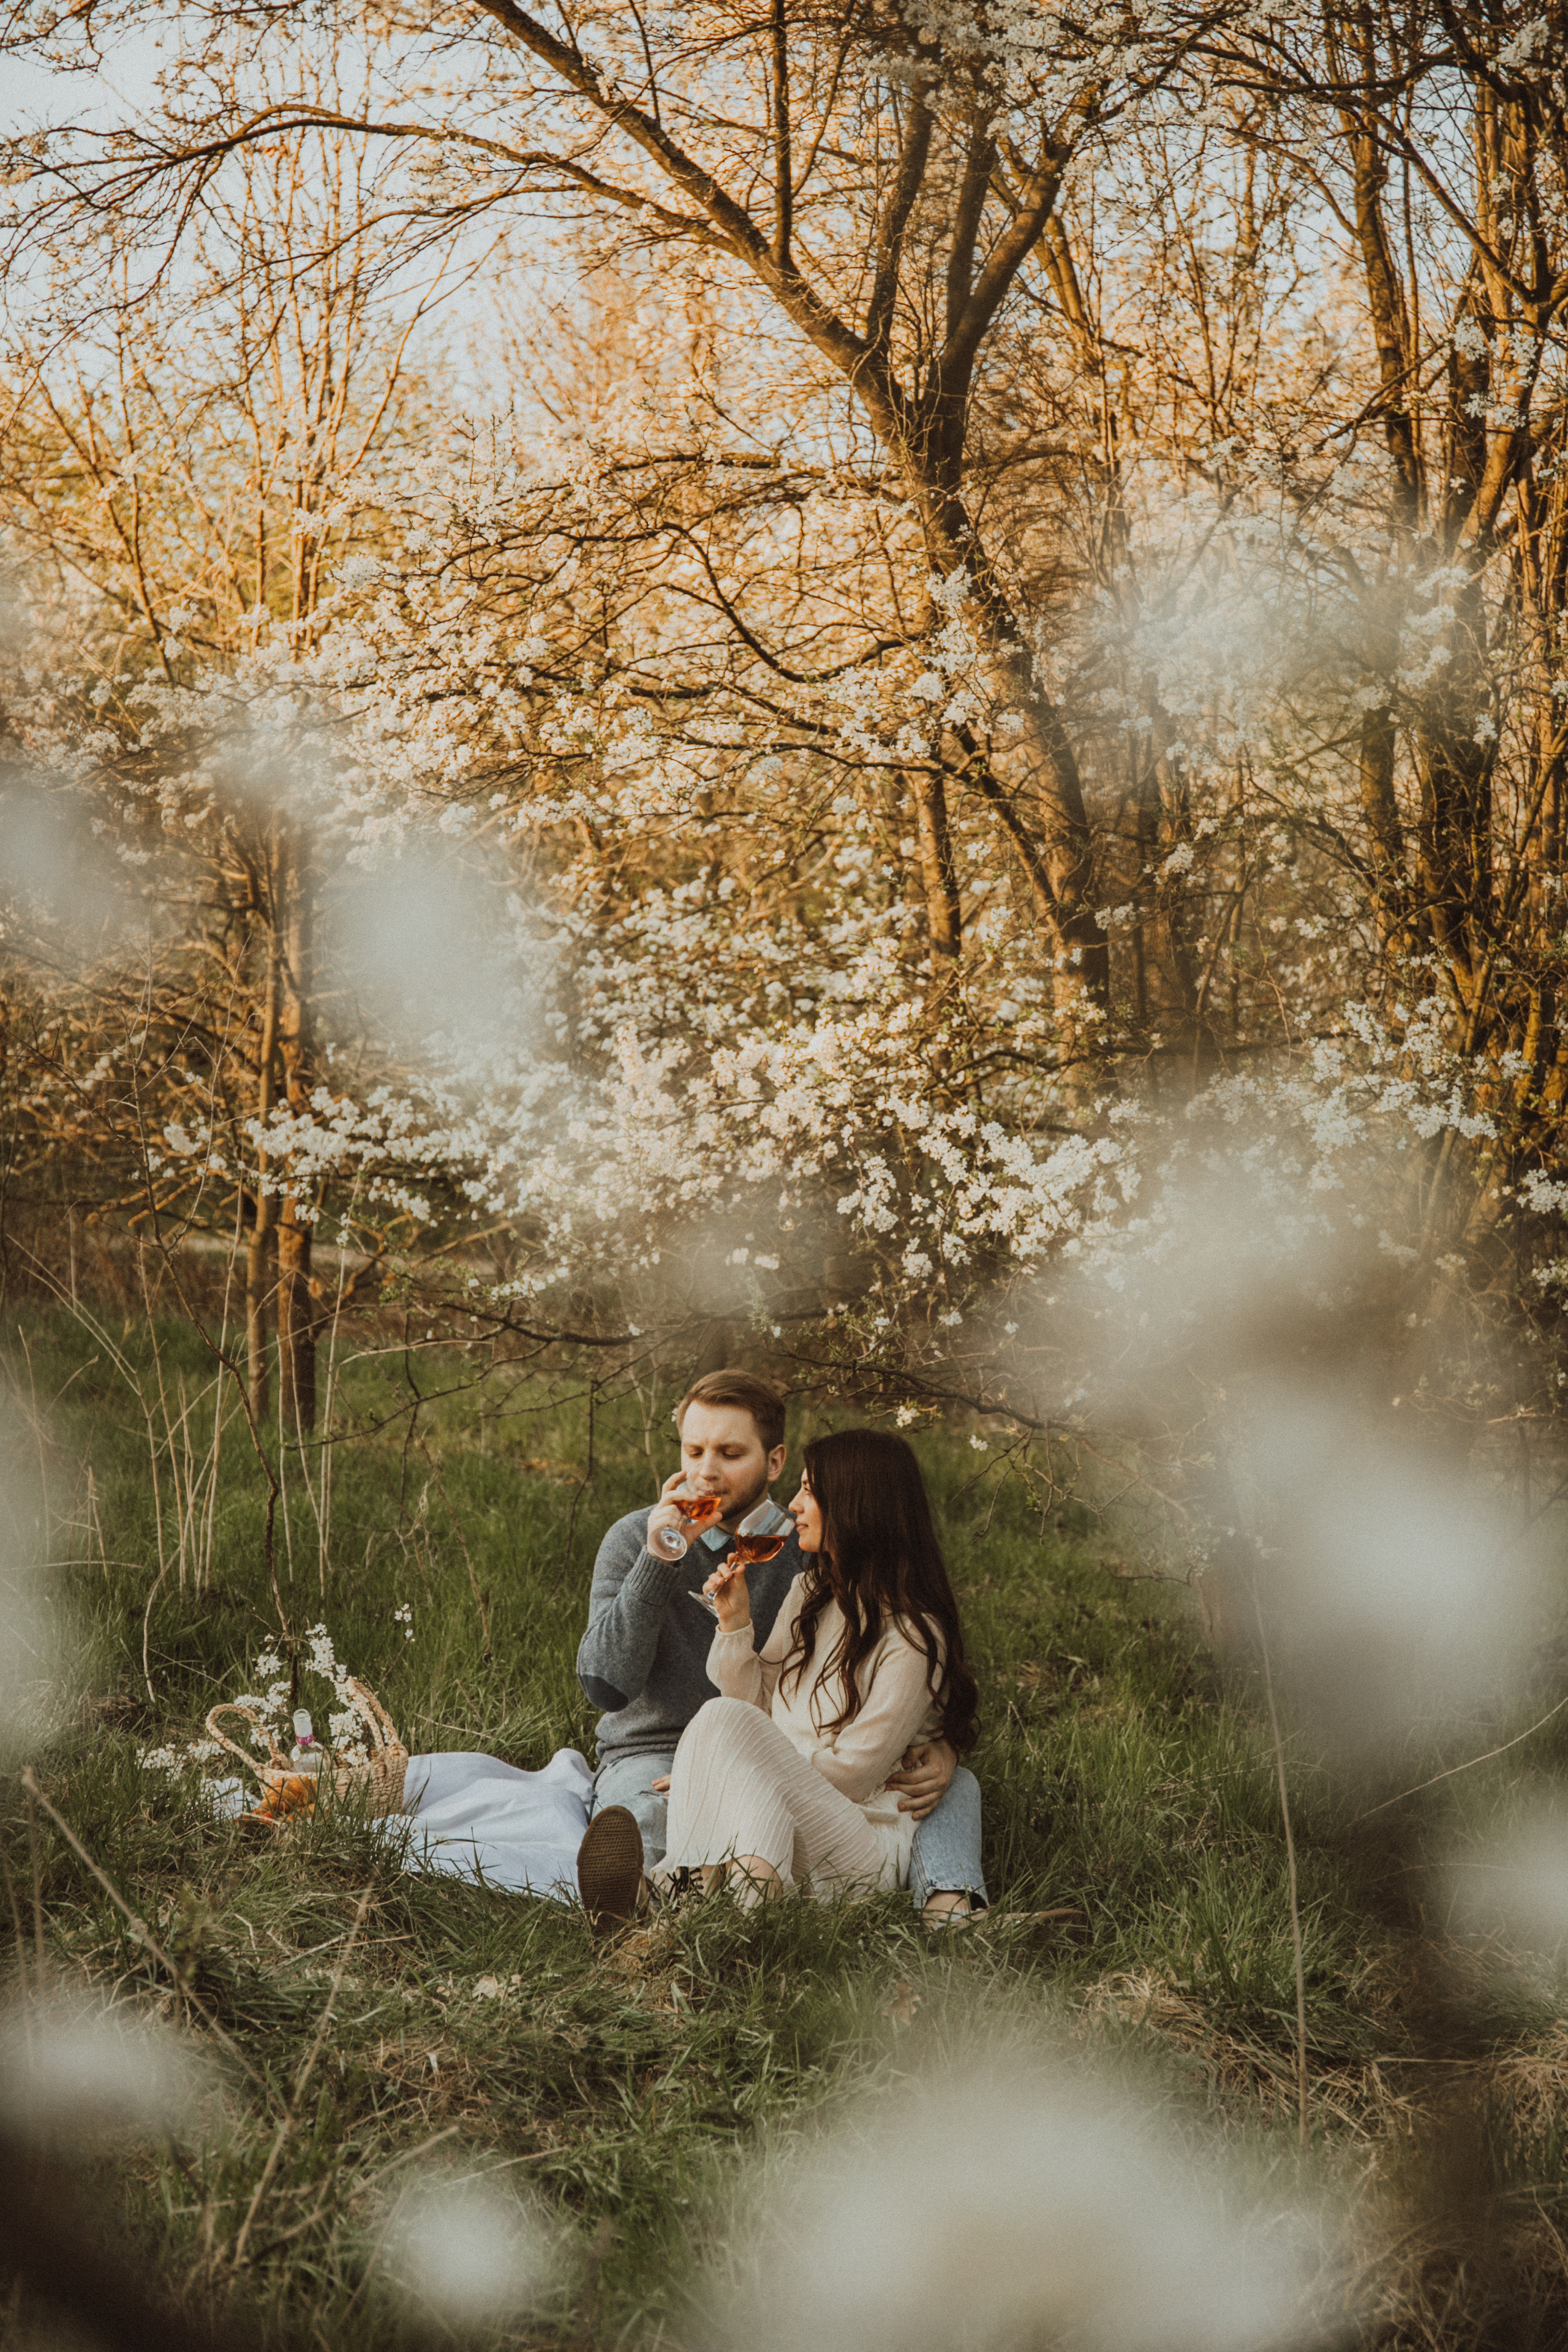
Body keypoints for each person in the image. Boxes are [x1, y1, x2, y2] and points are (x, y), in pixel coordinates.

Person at [573, 1372, 988, 1931]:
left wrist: (942, 1744)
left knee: (953, 1785)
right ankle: (685, 1916)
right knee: (648, 1817)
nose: (705, 1472)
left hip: (796, 1766)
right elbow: (605, 1688)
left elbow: (888, 1680)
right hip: (663, 1752)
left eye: (730, 1452)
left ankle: (950, 1913)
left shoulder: (810, 1550)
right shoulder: (637, 1538)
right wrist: (661, 1561)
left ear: (774, 1462)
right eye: (693, 1451)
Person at [659, 1425, 978, 1908]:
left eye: (809, 1491)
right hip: (786, 1816)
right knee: (721, 1718)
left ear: (856, 1507)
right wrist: (735, 1622)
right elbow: (755, 1704)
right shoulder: (809, 1594)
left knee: (723, 1725)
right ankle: (728, 1907)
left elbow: (853, 1775)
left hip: (858, 1844)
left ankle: (674, 1891)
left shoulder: (913, 1635)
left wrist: (737, 1772)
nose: (794, 1505)